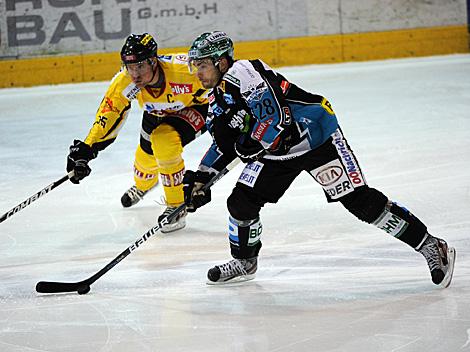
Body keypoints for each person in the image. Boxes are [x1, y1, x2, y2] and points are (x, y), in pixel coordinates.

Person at [182, 31, 456, 286]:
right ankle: (244, 261)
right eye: (195, 67)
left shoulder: (243, 71)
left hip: (317, 139)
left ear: (222, 62)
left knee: (360, 202)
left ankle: (431, 244)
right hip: (278, 153)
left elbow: (272, 116)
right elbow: (223, 146)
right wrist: (202, 177)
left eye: (202, 65)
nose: (198, 73)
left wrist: (251, 143)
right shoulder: (217, 100)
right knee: (241, 202)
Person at [66, 33, 208, 233]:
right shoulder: (127, 82)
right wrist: (87, 148)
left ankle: (177, 206)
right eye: (130, 67)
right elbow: (111, 112)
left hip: (194, 108)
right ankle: (144, 184)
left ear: (153, 61)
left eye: (140, 66)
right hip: (157, 112)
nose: (134, 74)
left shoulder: (186, 71)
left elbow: (221, 82)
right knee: (145, 160)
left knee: (164, 142)